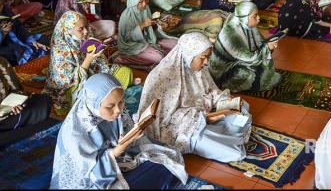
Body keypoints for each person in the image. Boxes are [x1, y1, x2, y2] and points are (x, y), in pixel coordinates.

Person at [50, 73, 188, 189]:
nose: (118, 110)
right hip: (95, 178)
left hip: (118, 160)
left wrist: (133, 134)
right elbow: (89, 175)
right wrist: (118, 150)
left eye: (121, 102)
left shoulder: (117, 111)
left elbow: (129, 136)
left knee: (166, 161)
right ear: (93, 104)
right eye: (110, 106)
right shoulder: (75, 133)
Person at [137, 32, 252, 162]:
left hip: (204, 115)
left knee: (242, 108)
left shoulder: (198, 68)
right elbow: (162, 121)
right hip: (184, 130)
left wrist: (225, 100)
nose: (206, 62)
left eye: (208, 57)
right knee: (235, 153)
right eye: (203, 58)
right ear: (189, 55)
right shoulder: (161, 78)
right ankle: (225, 135)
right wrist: (205, 117)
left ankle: (225, 132)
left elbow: (210, 90)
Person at [44, 11, 132, 116]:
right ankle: (101, 96)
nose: (86, 31)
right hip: (72, 86)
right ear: (68, 30)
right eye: (80, 29)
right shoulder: (60, 48)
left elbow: (101, 66)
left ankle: (103, 95)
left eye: (86, 27)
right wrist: (88, 59)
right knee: (79, 94)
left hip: (91, 74)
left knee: (126, 72)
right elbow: (65, 82)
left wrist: (98, 53)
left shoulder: (84, 38)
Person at [208, 1, 281, 92]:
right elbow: (251, 58)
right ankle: (226, 84)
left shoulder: (248, 26)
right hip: (223, 71)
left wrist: (270, 45)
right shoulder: (231, 33)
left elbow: (260, 46)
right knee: (246, 75)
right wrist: (267, 48)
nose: (258, 18)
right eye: (254, 16)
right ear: (245, 17)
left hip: (242, 61)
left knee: (262, 69)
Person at [114, 0, 177, 68]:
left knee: (175, 43)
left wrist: (156, 24)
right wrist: (142, 25)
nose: (144, 4)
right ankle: (124, 58)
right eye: (141, 2)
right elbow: (127, 38)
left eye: (146, 0)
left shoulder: (145, 8)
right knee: (159, 57)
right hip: (133, 45)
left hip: (149, 40)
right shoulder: (126, 16)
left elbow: (150, 28)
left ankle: (153, 50)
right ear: (134, 1)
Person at [0, 57, 51, 132]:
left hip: (10, 108)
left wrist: (18, 102)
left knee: (44, 101)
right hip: (3, 118)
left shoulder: (2, 62)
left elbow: (17, 90)